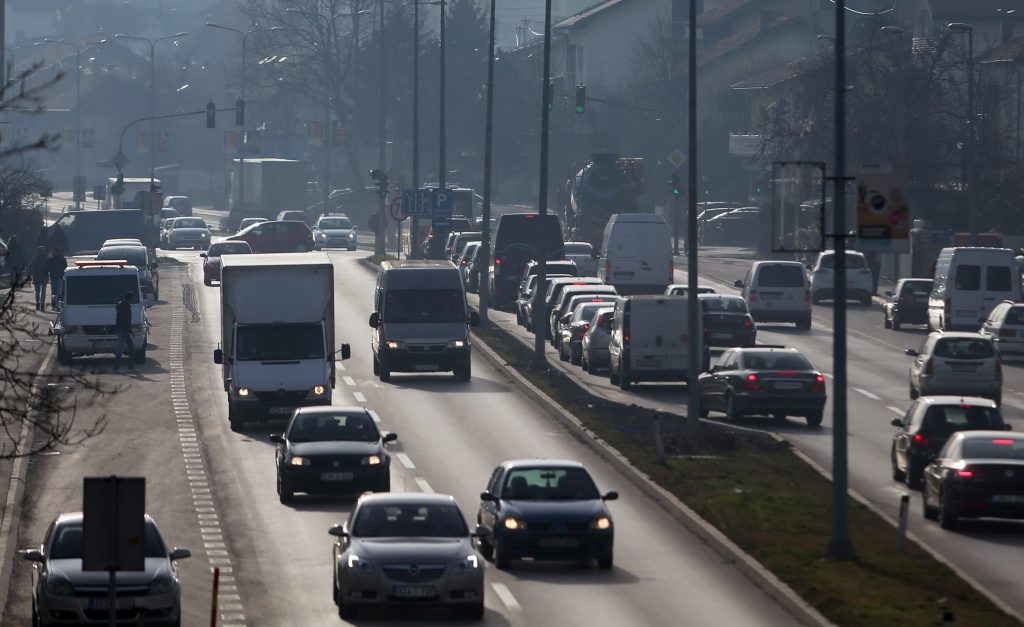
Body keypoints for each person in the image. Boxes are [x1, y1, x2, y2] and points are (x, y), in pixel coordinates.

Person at [114, 291, 135, 370]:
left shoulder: (121, 305)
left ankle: (116, 367)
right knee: (131, 348)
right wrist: (130, 331)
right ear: (130, 299)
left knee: (120, 349)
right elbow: (126, 320)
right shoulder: (126, 307)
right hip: (124, 330)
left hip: (120, 329)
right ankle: (130, 367)